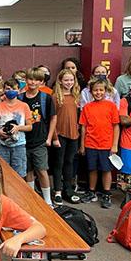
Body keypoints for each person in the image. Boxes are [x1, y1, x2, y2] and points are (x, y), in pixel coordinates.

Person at [79, 79, 120, 208]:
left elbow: (116, 126)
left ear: (106, 91)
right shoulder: (87, 107)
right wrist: (82, 145)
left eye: (101, 90)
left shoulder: (111, 106)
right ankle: (91, 191)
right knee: (92, 168)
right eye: (95, 90)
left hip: (106, 144)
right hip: (91, 143)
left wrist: (114, 145)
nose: (98, 92)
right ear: (91, 92)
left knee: (106, 169)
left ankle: (106, 193)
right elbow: (83, 127)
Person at [20, 68, 57, 206]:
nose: (33, 82)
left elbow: (53, 118)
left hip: (40, 140)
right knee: (28, 170)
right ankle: (31, 198)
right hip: (23, 140)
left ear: (42, 82)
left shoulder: (45, 98)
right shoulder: (20, 97)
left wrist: (49, 138)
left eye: (37, 79)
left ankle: (47, 200)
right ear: (26, 80)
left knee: (42, 170)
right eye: (30, 79)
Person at [0, 79, 32, 178]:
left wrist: (18, 128)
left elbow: (30, 127)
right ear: (4, 90)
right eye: (8, 89)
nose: (10, 90)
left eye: (13, 88)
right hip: (1, 145)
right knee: (2, 173)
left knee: (19, 175)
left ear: (18, 90)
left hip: (19, 145)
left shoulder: (24, 106)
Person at [51, 69, 81, 205]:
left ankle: (68, 190)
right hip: (60, 134)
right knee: (58, 163)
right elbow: (52, 118)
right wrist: (55, 137)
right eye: (66, 80)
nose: (69, 82)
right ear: (60, 81)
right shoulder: (55, 97)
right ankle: (57, 190)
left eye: (71, 80)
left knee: (69, 162)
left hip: (73, 134)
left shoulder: (76, 96)